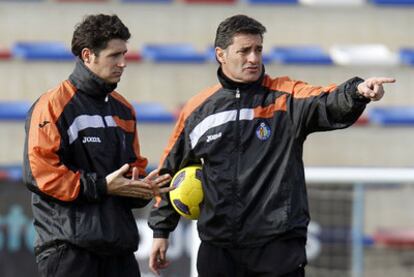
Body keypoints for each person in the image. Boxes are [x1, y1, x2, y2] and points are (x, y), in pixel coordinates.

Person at [148, 14, 396, 277]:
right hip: (219, 249)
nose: (254, 58)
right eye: (244, 51)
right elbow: (169, 172)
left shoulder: (286, 97)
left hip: (277, 246)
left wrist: (357, 92)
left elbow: (327, 100)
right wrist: (161, 230)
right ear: (221, 54)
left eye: (258, 50)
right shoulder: (198, 110)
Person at [23, 14, 172, 277]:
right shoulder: (52, 106)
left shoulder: (124, 110)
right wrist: (100, 185)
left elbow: (130, 172)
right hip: (68, 250)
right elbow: (40, 173)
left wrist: (142, 188)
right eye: (114, 56)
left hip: (119, 250)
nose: (123, 63)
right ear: (88, 55)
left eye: (124, 54)